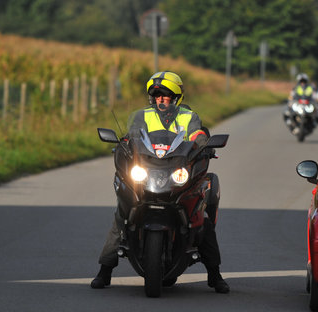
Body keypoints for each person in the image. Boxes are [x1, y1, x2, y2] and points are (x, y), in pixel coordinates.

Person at [90, 71, 230, 294]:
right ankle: (104, 270)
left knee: (200, 218)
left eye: (166, 96)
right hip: (147, 171)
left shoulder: (188, 117)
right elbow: (131, 138)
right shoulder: (141, 116)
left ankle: (215, 274)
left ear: (176, 98)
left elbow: (198, 137)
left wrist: (204, 144)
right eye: (156, 96)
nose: (161, 100)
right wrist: (122, 144)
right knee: (122, 214)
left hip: (176, 173)